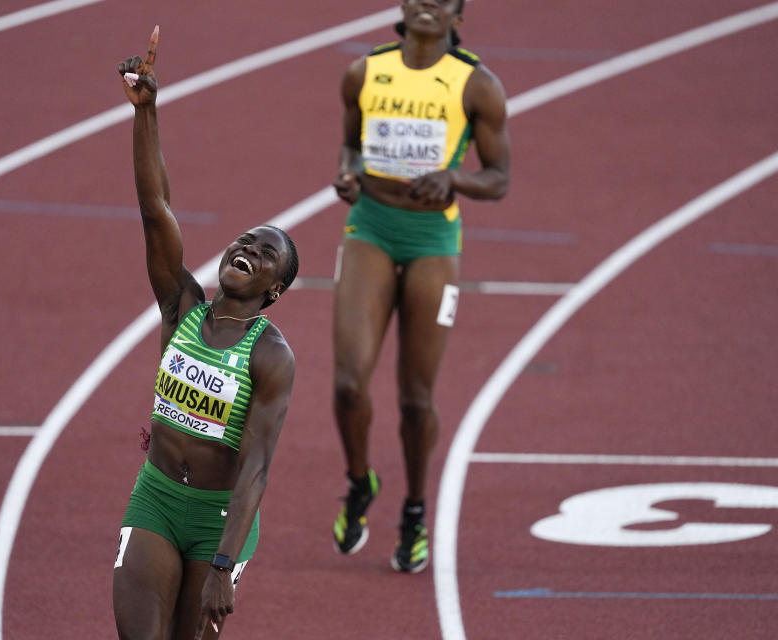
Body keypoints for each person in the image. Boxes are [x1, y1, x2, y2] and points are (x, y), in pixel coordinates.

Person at [112, 26, 299, 640]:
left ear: (274, 290)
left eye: (265, 252)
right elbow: (154, 209)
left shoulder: (271, 356)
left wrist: (224, 563)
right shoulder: (180, 306)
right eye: (246, 239)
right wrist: (147, 113)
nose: (248, 247)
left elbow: (257, 468)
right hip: (157, 498)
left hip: (219, 518)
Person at [330, 0, 510, 573]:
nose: (428, 3)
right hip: (371, 227)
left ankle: (413, 510)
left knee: (415, 398)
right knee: (348, 386)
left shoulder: (477, 85)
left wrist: (454, 177)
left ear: (460, 12)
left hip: (433, 239)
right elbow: (351, 143)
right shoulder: (364, 71)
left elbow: (499, 177)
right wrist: (347, 173)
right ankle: (360, 483)